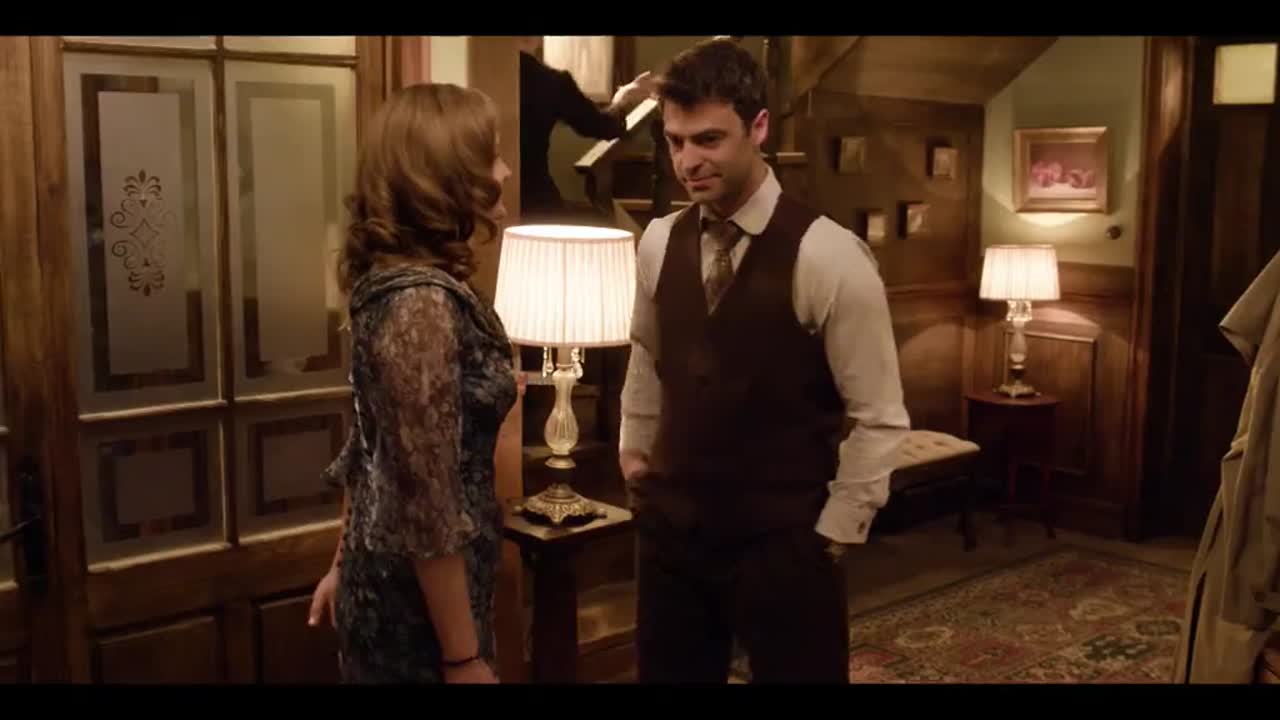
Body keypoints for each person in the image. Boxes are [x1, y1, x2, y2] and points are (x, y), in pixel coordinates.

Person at [618, 38, 910, 684]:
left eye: (709, 140)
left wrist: (833, 533)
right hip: (672, 540)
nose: (687, 162)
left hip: (784, 546)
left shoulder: (830, 257)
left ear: (758, 128)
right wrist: (634, 453)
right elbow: (647, 357)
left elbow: (880, 417)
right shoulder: (659, 241)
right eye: (675, 142)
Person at [304, 83, 523, 684]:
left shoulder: (411, 286)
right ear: (448, 177)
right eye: (492, 157)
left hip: (416, 585)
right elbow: (425, 499)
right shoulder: (419, 305)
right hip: (418, 608)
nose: (505, 171)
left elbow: (373, 449)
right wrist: (462, 658)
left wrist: (341, 563)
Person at [517, 36, 655, 221]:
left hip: (487, 194)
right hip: (535, 197)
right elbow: (603, 126)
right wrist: (622, 99)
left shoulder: (486, 73)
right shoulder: (551, 82)